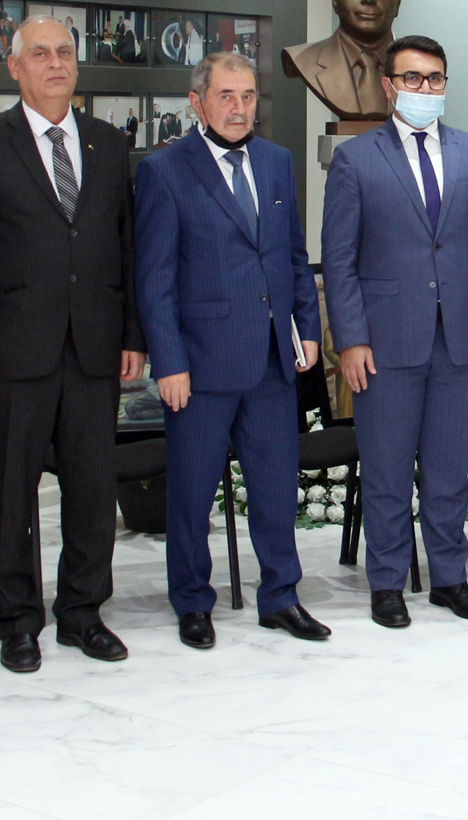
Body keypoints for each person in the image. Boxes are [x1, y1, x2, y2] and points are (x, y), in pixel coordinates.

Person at [0, 16, 146, 671]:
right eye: (40, 54)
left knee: (92, 489)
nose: (56, 63)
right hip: (11, 351)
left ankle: (83, 612)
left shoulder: (108, 143)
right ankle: (17, 620)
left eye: (65, 52)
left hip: (93, 347)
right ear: (15, 67)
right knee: (13, 493)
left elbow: (125, 245)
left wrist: (132, 332)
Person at [322, 36, 468, 627]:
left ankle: (449, 579)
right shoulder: (357, 159)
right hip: (384, 342)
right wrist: (350, 339)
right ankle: (387, 583)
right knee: (386, 470)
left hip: (460, 339)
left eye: (435, 79)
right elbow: (339, 260)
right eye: (412, 78)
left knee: (448, 469)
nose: (425, 89)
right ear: (389, 87)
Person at [135, 51, 327, 649]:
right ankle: (193, 601)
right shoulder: (165, 171)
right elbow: (154, 279)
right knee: (192, 495)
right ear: (198, 103)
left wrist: (308, 327)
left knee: (275, 488)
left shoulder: (276, 161)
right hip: (200, 365)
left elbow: (292, 254)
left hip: (272, 360)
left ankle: (281, 597)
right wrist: (168, 362)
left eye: (247, 96)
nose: (240, 108)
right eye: (226, 96)